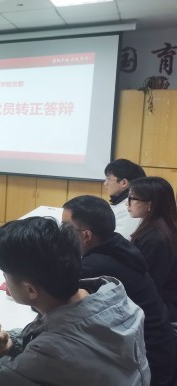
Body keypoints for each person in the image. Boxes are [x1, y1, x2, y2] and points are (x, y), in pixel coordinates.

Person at [0, 216, 150, 386]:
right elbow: (65, 330)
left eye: (5, 275)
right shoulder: (110, 297)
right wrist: (15, 342)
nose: (5, 281)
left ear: (30, 289)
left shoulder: (53, 351)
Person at [63, 195, 177, 386]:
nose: (61, 234)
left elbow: (54, 299)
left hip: (147, 363)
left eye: (65, 228)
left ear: (87, 235)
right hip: (160, 347)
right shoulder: (116, 243)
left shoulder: (94, 267)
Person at [128, 176, 177, 321]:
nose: (127, 203)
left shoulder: (156, 238)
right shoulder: (159, 229)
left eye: (132, 198)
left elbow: (149, 282)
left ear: (150, 204)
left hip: (157, 311)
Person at [104, 159, 146, 238]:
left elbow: (122, 240)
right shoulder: (121, 202)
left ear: (124, 183)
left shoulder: (130, 208)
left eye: (108, 179)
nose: (105, 183)